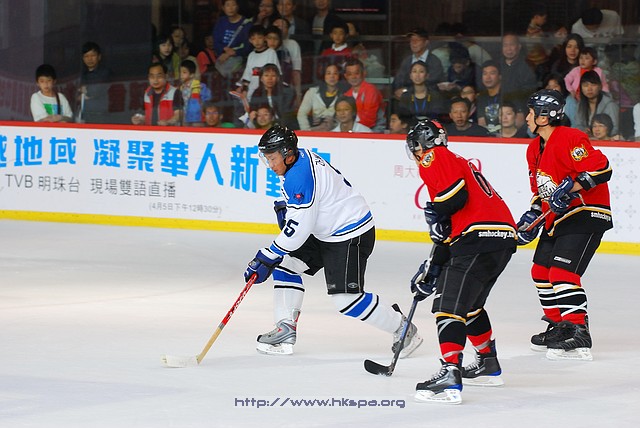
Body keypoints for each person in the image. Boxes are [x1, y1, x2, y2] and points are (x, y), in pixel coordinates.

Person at [244, 125, 423, 357]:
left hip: (350, 234)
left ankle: (403, 329)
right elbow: (303, 209)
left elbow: (300, 229)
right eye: (267, 158)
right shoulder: (298, 159)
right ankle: (285, 328)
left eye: (272, 158)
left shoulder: (299, 175)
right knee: (286, 266)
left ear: (287, 154)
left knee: (346, 300)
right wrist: (286, 207)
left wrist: (268, 255)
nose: (269, 164)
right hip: (326, 231)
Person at [405, 119, 517, 404]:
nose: (416, 154)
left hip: (477, 237)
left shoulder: (434, 157)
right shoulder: (457, 161)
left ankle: (449, 375)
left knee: (448, 306)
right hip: (500, 238)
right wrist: (433, 268)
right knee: (470, 306)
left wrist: (436, 211)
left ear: (420, 145)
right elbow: (448, 230)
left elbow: (454, 197)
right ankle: (487, 363)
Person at [516, 89, 612, 361]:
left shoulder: (571, 137)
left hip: (585, 212)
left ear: (544, 117)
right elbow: (540, 191)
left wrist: (571, 188)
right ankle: (559, 326)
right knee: (540, 271)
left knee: (561, 273)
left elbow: (602, 169)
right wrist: (533, 214)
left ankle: (578, 330)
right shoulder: (533, 149)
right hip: (556, 217)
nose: (527, 117)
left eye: (531, 113)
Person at [392, 28, 444, 100]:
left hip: (427, 100)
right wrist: (398, 90)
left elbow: (432, 84)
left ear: (426, 42)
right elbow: (398, 81)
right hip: (406, 99)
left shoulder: (434, 61)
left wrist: (407, 90)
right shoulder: (407, 60)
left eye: (417, 40)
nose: (414, 43)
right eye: (412, 40)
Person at [499, 33, 537, 123]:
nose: (508, 49)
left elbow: (528, 92)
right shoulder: (497, 65)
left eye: (511, 45)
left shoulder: (527, 66)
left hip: (520, 110)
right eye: (505, 45)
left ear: (519, 47)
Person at [246, 63, 296, 129]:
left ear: (278, 78)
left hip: (285, 126)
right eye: (266, 75)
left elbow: (287, 114)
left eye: (273, 76)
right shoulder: (257, 93)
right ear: (261, 78)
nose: (270, 79)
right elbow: (253, 111)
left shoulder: (287, 92)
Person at [237, 25, 281, 99]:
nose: (257, 41)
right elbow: (247, 75)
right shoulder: (251, 55)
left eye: (259, 38)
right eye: (253, 39)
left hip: (266, 90)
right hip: (252, 90)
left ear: (265, 38)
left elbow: (273, 73)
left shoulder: (271, 53)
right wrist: (244, 89)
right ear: (250, 40)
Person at [212, 0, 253, 79]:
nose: (230, 8)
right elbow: (216, 42)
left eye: (233, 5)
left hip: (239, 61)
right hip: (222, 59)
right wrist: (224, 49)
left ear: (237, 6)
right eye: (227, 5)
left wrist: (232, 53)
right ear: (223, 8)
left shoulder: (246, 24)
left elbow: (248, 46)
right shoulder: (220, 22)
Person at [343, 57, 384, 132]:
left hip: (373, 131)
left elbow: (369, 120)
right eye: (349, 74)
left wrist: (351, 129)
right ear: (345, 76)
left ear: (363, 73)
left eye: (356, 73)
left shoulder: (371, 90)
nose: (353, 77)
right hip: (354, 130)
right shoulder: (346, 95)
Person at [297, 62, 341, 131]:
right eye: (328, 73)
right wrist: (307, 131)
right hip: (315, 132)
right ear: (324, 75)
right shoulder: (312, 92)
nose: (332, 76)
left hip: (335, 133)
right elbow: (301, 114)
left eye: (335, 73)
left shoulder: (343, 94)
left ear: (339, 76)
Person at [574, 70, 619, 135]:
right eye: (585, 85)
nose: (589, 89)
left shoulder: (610, 105)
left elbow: (615, 128)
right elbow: (578, 125)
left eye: (593, 85)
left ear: (600, 86)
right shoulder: (580, 105)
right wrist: (584, 131)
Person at [77, 41, 112, 124]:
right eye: (86, 56)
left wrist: (85, 92)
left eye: (93, 55)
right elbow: (76, 95)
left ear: (99, 57)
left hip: (100, 115)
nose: (90, 59)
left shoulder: (105, 73)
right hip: (84, 115)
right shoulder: (81, 74)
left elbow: (94, 92)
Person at [272, 18, 302, 106]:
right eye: (276, 26)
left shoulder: (292, 44)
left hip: (285, 88)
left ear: (288, 29)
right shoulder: (264, 46)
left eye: (282, 26)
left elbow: (296, 71)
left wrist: (298, 94)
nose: (279, 28)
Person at [179, 59, 211, 126]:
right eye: (180, 72)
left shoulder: (200, 86)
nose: (181, 75)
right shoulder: (181, 88)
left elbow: (208, 101)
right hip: (185, 117)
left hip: (198, 118)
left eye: (184, 72)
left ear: (192, 75)